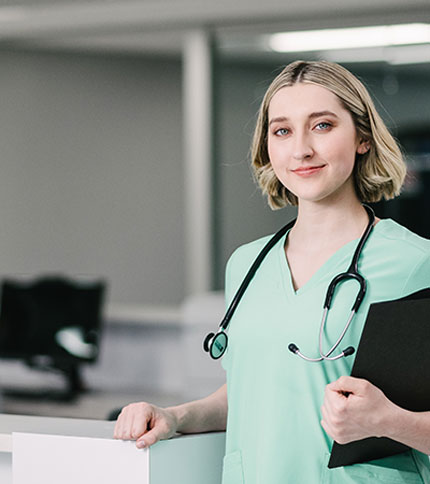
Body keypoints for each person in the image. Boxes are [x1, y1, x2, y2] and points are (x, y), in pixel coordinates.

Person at [114, 60, 430, 483]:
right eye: (282, 130)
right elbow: (257, 389)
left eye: (322, 126)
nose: (300, 149)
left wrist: (389, 421)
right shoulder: (247, 264)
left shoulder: (412, 264)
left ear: (363, 139)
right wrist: (174, 416)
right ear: (268, 147)